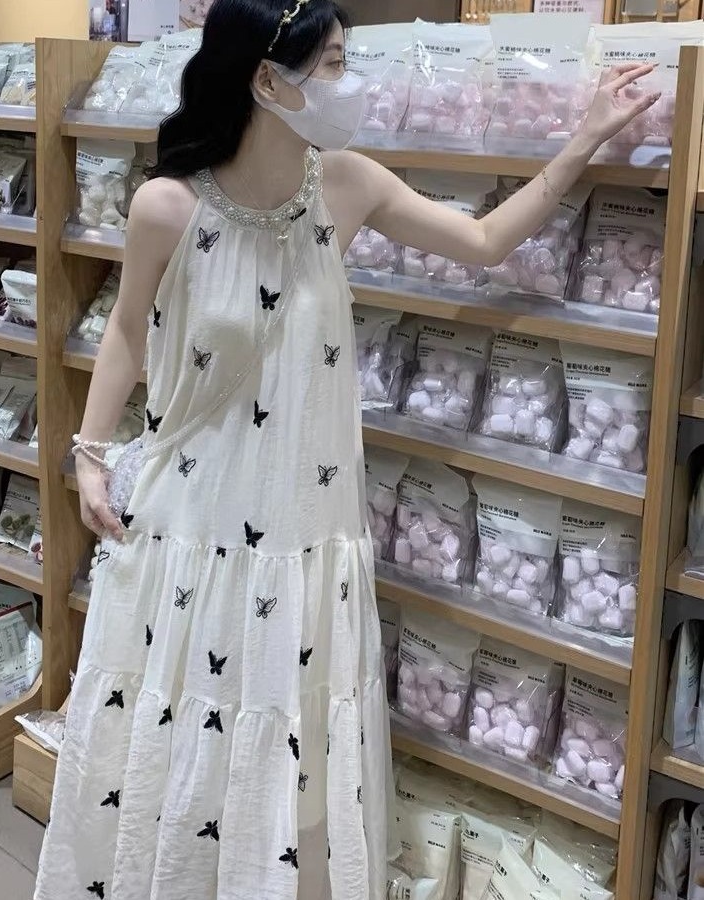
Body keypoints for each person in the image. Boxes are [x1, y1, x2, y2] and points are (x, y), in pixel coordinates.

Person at [34, 2, 657, 897]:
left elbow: (483, 243)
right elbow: (129, 330)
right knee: (183, 726)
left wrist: (584, 139)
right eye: (330, 63)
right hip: (194, 525)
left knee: (287, 727)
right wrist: (91, 453)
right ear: (266, 78)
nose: (347, 82)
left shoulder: (348, 185)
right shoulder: (167, 206)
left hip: (306, 526)